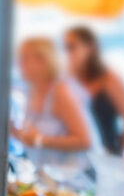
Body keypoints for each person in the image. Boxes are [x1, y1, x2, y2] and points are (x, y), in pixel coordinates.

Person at [13, 37, 94, 170]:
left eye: (25, 58)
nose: (19, 63)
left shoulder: (60, 92)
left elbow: (85, 141)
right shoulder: (31, 89)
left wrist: (39, 140)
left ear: (43, 60)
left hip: (71, 179)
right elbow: (33, 134)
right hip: (44, 174)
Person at [64, 26, 124, 156]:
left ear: (90, 47)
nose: (68, 53)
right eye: (66, 48)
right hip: (75, 157)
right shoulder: (67, 79)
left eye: (72, 47)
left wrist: (115, 152)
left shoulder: (110, 79)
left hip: (105, 154)